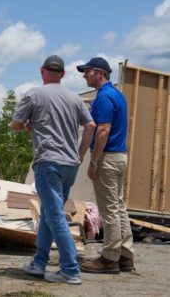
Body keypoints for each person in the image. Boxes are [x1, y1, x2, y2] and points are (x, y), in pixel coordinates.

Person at [10, 55, 95, 285]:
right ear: (64, 74)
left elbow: (16, 125)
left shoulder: (34, 94)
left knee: (55, 215)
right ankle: (39, 263)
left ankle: (69, 269)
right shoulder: (74, 98)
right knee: (49, 213)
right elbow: (91, 125)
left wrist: (26, 124)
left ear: (42, 71)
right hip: (69, 165)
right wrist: (80, 154)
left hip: (48, 163)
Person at [77, 57, 135, 274]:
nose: (84, 75)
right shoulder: (118, 95)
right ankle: (125, 255)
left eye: (87, 71)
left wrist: (93, 162)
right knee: (119, 207)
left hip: (107, 158)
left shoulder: (103, 97)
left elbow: (102, 131)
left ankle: (109, 258)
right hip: (120, 156)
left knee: (109, 209)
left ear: (100, 73)